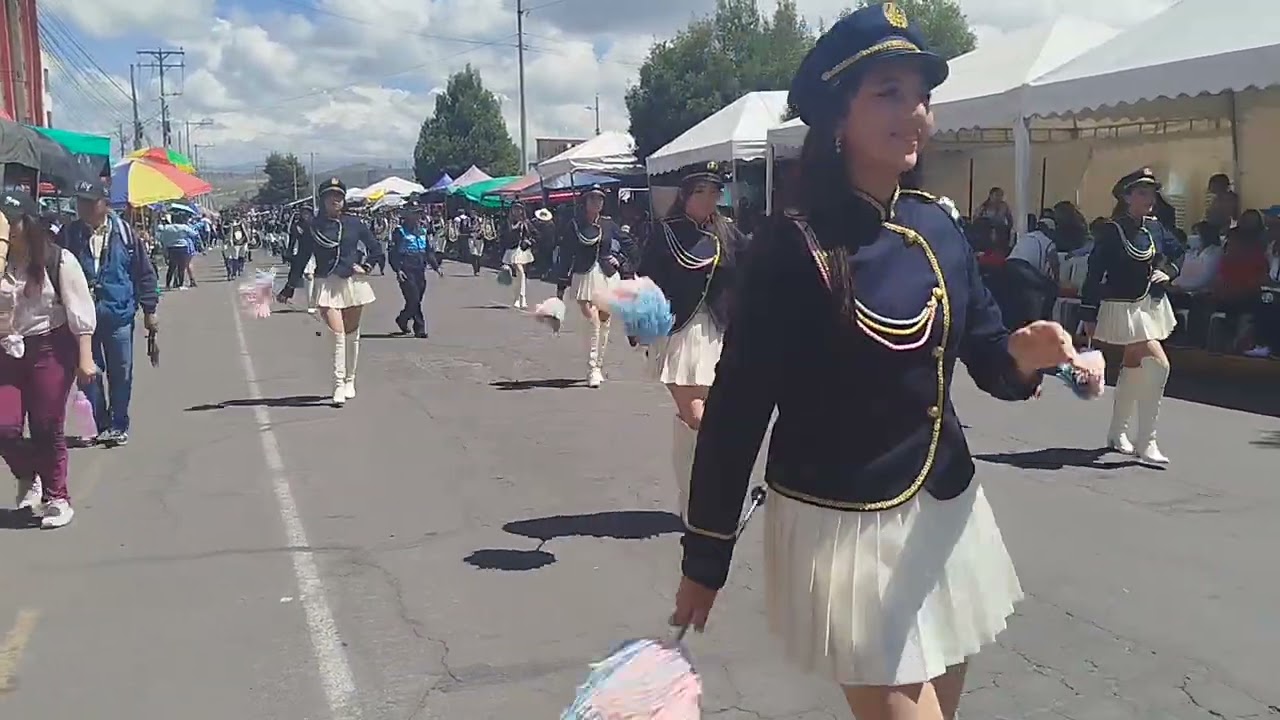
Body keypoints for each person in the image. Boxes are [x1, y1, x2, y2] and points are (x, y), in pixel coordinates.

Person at [670, 6, 1092, 719]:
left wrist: (1031, 352)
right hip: (844, 525)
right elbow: (737, 412)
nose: (914, 113)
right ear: (838, 118)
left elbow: (987, 357)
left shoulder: (937, 226)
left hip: (945, 512)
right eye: (887, 93)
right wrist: (703, 560)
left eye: (920, 95)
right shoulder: (792, 247)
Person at [638, 160, 747, 518]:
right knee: (699, 417)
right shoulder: (665, 232)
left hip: (719, 333)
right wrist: (638, 323)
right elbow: (645, 282)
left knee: (704, 421)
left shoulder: (728, 233)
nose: (709, 198)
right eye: (701, 191)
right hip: (680, 331)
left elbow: (751, 272)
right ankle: (697, 500)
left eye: (715, 191)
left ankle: (693, 499)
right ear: (685, 195)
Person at [0, 190, 98, 528]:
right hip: (6, 351)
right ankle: (30, 476)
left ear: (28, 224)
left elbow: (80, 310)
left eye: (13, 222)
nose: (8, 229)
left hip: (49, 348)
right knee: (5, 427)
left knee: (46, 425)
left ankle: (57, 496)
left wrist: (85, 357)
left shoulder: (58, 260)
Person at [1081, 168, 1180, 465]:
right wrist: (1088, 311)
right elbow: (1094, 272)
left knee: (1135, 365)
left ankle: (1117, 432)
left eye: (1151, 193)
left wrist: (1170, 272)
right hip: (1122, 307)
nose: (1148, 199)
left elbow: (1179, 251)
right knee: (1159, 366)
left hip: (1148, 306)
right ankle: (1146, 440)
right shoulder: (1112, 230)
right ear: (1126, 197)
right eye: (1141, 193)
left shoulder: (1156, 228)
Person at [57, 179, 160, 447]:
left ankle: (118, 423)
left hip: (118, 314)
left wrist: (150, 311)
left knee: (121, 371)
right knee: (88, 373)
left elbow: (144, 274)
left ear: (104, 204)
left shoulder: (125, 234)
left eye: (90, 202)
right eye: (80, 202)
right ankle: (99, 422)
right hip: (82, 319)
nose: (84, 207)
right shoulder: (68, 236)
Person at [287, 178, 383, 407]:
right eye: (331, 197)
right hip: (326, 283)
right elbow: (301, 257)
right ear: (323, 200)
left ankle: (351, 380)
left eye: (339, 196)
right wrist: (289, 286)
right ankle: (338, 384)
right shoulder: (314, 227)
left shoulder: (354, 223)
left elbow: (376, 249)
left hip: (352, 283)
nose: (335, 201)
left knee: (351, 334)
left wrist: (367, 266)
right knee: (337, 335)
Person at [554, 186, 631, 388]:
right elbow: (566, 254)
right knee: (593, 320)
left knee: (605, 321)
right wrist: (562, 283)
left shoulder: (608, 224)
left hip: (607, 275)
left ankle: (598, 363)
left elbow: (628, 244)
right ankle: (592, 369)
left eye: (600, 200)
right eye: (593, 199)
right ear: (585, 202)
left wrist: (622, 261)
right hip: (584, 276)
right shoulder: (575, 225)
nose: (597, 203)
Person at [389, 206, 443, 338]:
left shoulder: (423, 231)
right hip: (406, 267)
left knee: (417, 298)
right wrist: (398, 270)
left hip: (420, 268)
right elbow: (393, 253)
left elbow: (428, 252)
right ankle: (420, 327)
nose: (418, 217)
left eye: (419, 214)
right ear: (407, 216)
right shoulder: (400, 232)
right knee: (413, 298)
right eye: (415, 214)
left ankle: (402, 318)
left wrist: (436, 267)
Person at [502, 204, 537, 308]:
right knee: (520, 273)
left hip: (522, 249)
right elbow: (504, 235)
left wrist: (529, 241)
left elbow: (535, 233)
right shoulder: (508, 222)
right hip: (512, 249)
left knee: (520, 274)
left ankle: (520, 298)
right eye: (515, 209)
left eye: (519, 209)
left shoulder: (526, 223)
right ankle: (519, 298)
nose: (517, 211)